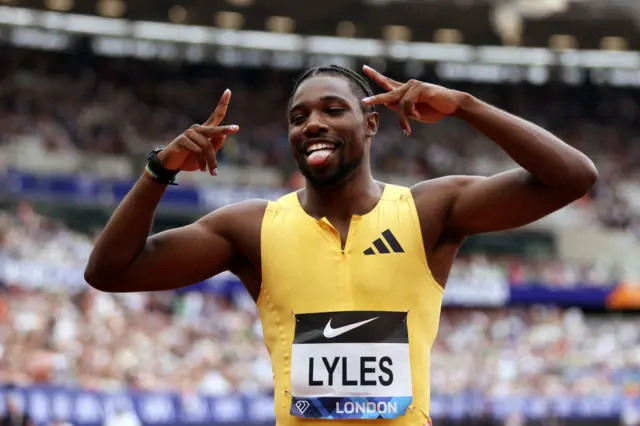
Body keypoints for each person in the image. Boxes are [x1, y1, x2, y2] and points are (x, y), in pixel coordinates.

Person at [85, 64, 597, 425]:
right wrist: (160, 169)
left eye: (334, 109)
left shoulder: (426, 212)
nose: (314, 124)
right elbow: (108, 271)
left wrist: (464, 105)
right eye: (298, 116)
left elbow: (572, 177)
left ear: (371, 122)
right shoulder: (251, 228)